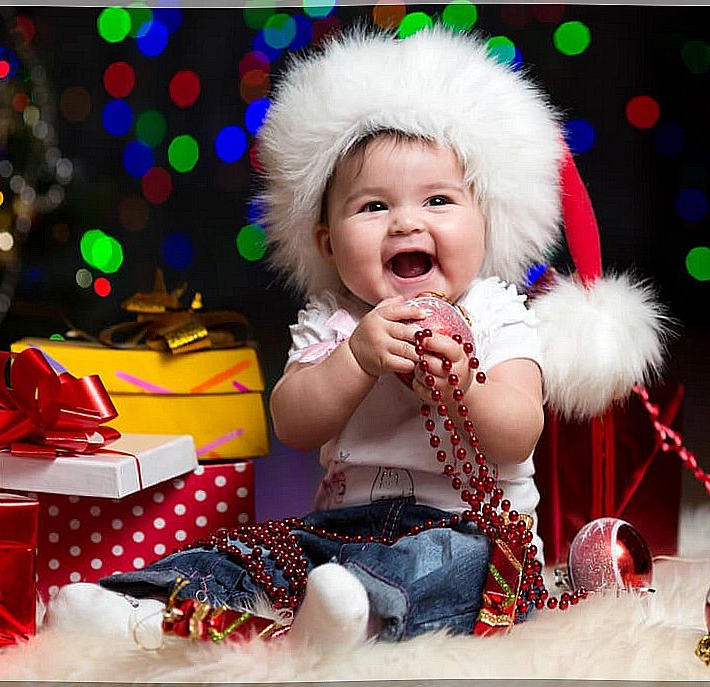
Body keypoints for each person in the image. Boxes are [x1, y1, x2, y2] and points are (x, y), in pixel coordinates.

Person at [47, 25, 667, 651]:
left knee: (449, 571)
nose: (405, 221)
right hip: (342, 530)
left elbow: (518, 431)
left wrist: (463, 389)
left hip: (473, 532)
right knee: (250, 548)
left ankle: (357, 615)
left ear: (486, 219)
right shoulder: (336, 320)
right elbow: (293, 422)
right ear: (327, 244)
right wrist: (356, 360)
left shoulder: (498, 312)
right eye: (372, 207)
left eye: (438, 200)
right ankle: (138, 605)